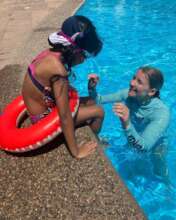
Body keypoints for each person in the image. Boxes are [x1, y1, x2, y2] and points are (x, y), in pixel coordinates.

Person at [22, 15, 104, 158]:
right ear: (75, 50)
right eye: (85, 55)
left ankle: (91, 135)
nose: (84, 60)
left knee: (91, 101)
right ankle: (94, 143)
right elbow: (65, 116)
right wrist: (76, 152)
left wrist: (90, 89)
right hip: (42, 119)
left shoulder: (49, 54)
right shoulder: (58, 72)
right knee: (99, 111)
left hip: (42, 105)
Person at [88, 66, 170, 151]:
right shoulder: (129, 94)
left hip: (155, 147)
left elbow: (143, 148)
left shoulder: (161, 114)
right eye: (134, 78)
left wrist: (126, 123)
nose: (132, 83)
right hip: (133, 134)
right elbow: (99, 100)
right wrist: (91, 88)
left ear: (151, 91)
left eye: (139, 82)